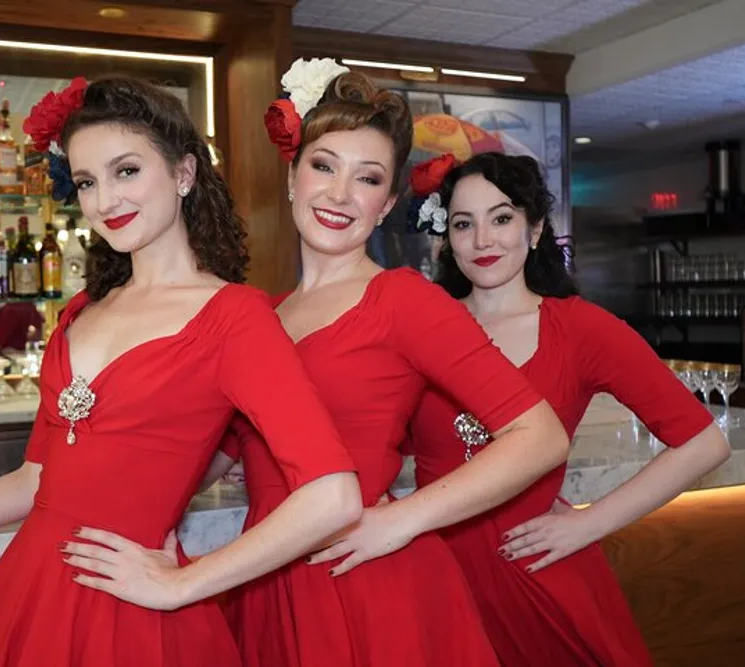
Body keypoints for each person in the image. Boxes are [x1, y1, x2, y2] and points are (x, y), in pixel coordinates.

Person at [0, 76, 364, 667]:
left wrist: (185, 583)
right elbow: (33, 483)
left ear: (183, 174)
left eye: (127, 171)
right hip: (30, 589)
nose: (104, 201)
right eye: (88, 182)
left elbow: (333, 495)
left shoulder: (234, 317)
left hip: (129, 609)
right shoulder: (82, 311)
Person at [206, 60, 569, 667]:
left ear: (388, 202)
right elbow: (222, 449)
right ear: (292, 177)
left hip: (364, 583)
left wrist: (402, 521)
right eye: (324, 166)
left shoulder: (403, 300)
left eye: (367, 178)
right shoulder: (260, 315)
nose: (341, 194)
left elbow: (541, 437)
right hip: (266, 579)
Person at [405, 151, 731, 666]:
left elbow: (704, 442)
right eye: (464, 223)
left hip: (535, 575)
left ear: (534, 231)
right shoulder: (419, 325)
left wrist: (589, 523)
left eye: (503, 218)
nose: (483, 240)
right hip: (435, 578)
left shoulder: (580, 329)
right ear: (447, 236)